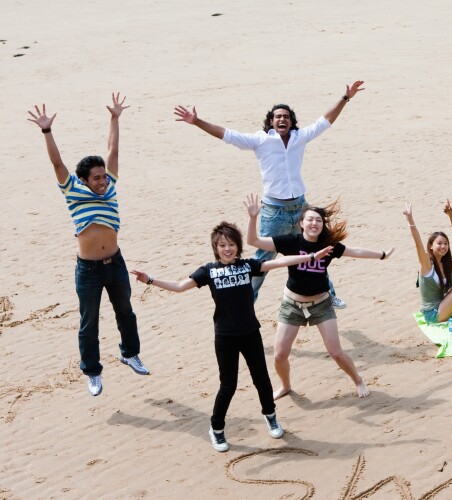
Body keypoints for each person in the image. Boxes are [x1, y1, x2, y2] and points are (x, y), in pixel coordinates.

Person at [129, 223, 331, 451]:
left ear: (238, 246)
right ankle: (216, 429)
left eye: (232, 244)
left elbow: (279, 262)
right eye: (222, 245)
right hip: (225, 336)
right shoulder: (208, 271)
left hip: (250, 332)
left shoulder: (247, 266)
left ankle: (270, 415)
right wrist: (149, 280)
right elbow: (179, 286)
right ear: (216, 247)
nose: (228, 249)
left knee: (262, 380)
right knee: (228, 385)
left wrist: (312, 256)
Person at [174, 81, 365, 307]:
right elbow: (227, 135)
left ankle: (329, 295)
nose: (282, 119)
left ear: (291, 121)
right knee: (262, 261)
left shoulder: (299, 137)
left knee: (314, 251)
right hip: (274, 213)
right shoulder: (260, 140)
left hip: (301, 209)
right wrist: (196, 121)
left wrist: (346, 97)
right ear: (271, 122)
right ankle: (247, 303)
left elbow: (325, 121)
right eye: (277, 116)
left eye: (286, 116)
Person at [28, 94, 149, 397]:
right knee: (88, 322)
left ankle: (130, 353)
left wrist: (115, 118)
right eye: (96, 178)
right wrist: (46, 130)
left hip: (116, 263)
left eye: (104, 177)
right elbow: (57, 162)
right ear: (83, 180)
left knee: (126, 312)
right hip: (89, 270)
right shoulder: (72, 191)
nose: (103, 181)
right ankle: (92, 371)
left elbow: (113, 149)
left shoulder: (111, 186)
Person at [244, 194, 391, 399]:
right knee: (279, 355)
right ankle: (285, 386)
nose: (314, 223)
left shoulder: (328, 245)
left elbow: (354, 251)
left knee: (336, 352)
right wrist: (253, 217)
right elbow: (253, 241)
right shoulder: (290, 242)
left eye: (318, 220)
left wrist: (381, 254)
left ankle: (358, 380)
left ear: (322, 225)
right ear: (301, 223)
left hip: (321, 304)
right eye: (310, 219)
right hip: (292, 304)